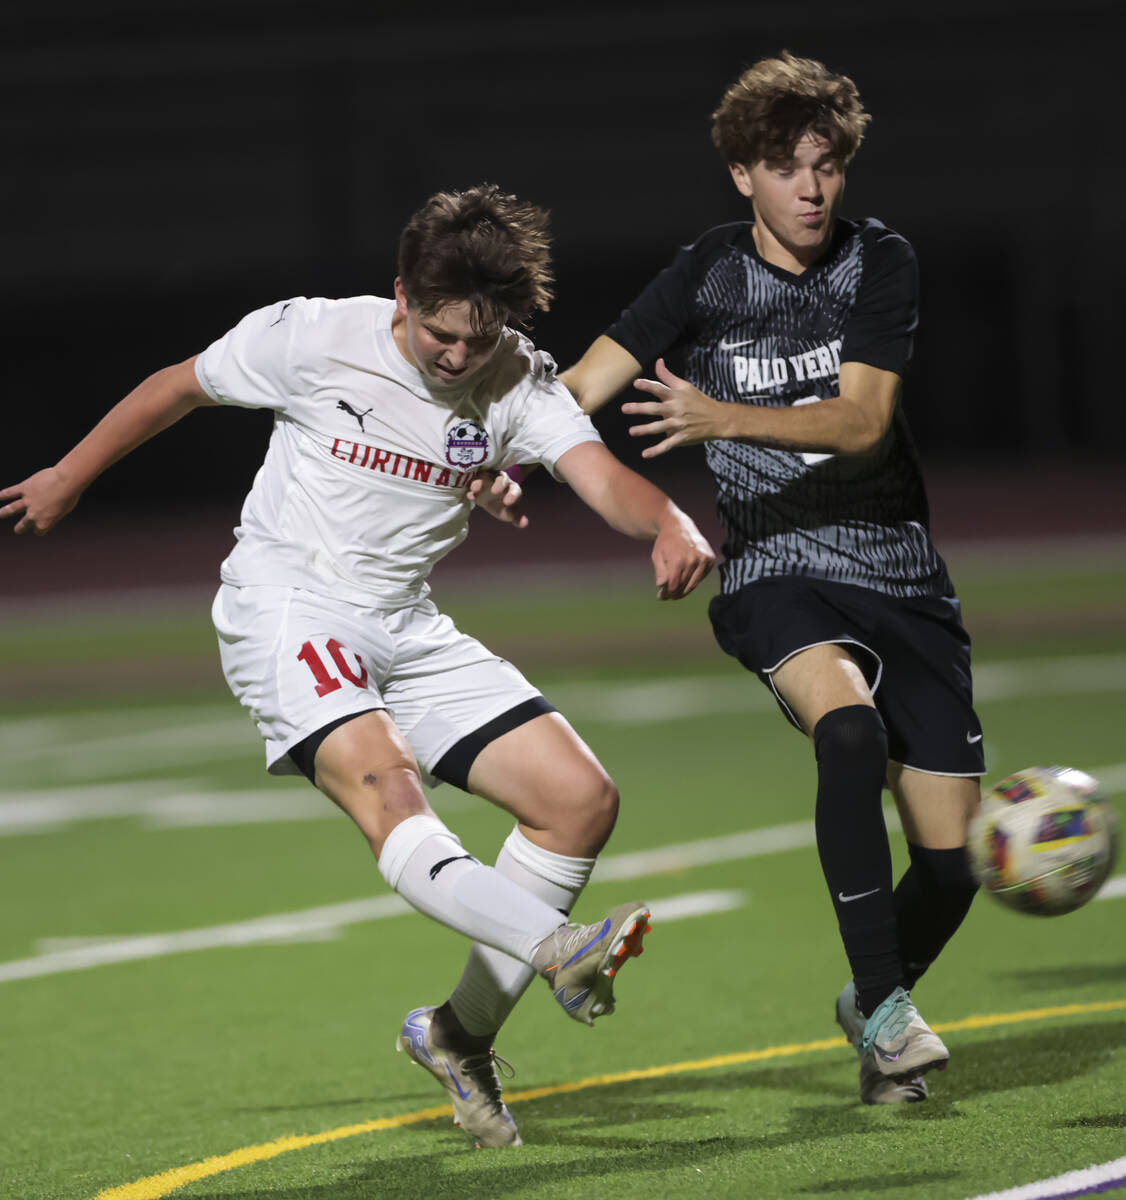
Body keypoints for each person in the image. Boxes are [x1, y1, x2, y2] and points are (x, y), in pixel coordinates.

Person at [0, 184, 715, 1146]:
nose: (457, 356)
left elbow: (600, 478)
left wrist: (666, 519)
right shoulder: (313, 336)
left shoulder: (515, 377)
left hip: (406, 625)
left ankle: (458, 1037)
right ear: (400, 297)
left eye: (479, 336)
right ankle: (555, 948)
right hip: (287, 602)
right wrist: (68, 476)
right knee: (389, 787)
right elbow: (179, 384)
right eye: (438, 335)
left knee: (578, 799)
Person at [560, 52, 983, 1105]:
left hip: (899, 571)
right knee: (846, 733)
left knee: (951, 866)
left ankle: (868, 998)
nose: (810, 187)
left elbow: (862, 420)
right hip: (774, 569)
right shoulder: (704, 273)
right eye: (786, 166)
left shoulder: (879, 263)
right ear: (741, 174)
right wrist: (490, 458)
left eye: (826, 165)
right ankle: (887, 1019)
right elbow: (580, 385)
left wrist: (718, 416)